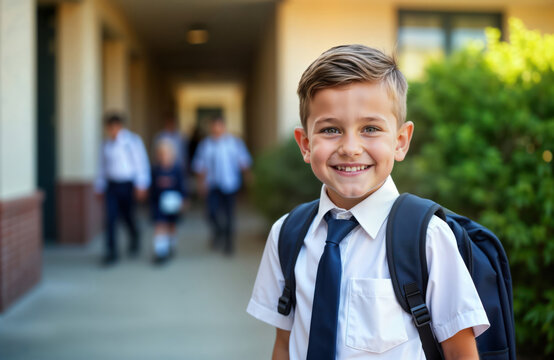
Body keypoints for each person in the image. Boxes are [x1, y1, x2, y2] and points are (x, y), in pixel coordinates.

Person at [246, 45, 489, 359]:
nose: (350, 147)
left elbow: (460, 351)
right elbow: (285, 343)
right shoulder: (287, 235)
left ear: (400, 141)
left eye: (370, 129)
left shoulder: (426, 238)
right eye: (331, 129)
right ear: (306, 145)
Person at [95, 113, 151, 266]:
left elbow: (141, 164)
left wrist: (142, 185)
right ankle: (111, 251)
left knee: (128, 216)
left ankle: (134, 236)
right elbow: (102, 167)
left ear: (120, 126)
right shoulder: (106, 145)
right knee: (110, 218)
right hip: (112, 185)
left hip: (128, 184)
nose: (112, 131)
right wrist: (99, 186)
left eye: (115, 127)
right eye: (109, 128)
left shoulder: (132, 142)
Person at [192, 116, 252, 255]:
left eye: (219, 126)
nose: (216, 129)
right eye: (214, 126)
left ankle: (228, 244)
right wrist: (201, 184)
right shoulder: (205, 145)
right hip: (212, 184)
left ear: (223, 127)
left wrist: (248, 177)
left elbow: (243, 161)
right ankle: (219, 231)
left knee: (229, 215)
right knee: (211, 213)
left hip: (229, 184)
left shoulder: (234, 143)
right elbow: (200, 166)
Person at [149, 139, 188, 264]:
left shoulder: (177, 170)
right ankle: (161, 252)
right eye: (161, 154)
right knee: (160, 225)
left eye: (166, 154)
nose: (164, 157)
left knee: (171, 226)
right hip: (159, 203)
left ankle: (171, 244)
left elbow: (182, 186)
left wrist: (184, 200)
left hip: (173, 203)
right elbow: (152, 188)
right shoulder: (155, 170)